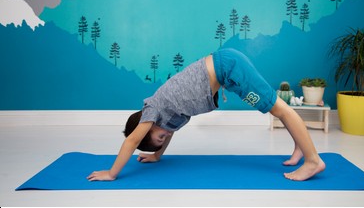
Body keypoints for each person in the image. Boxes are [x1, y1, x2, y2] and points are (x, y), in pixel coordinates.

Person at [87, 48, 325, 182]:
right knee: (277, 110)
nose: (166, 136)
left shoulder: (153, 108)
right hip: (227, 72)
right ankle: (300, 149)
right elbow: (166, 134)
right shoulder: (168, 119)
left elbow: (132, 140)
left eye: (159, 138)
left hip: (229, 69)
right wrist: (157, 156)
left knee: (279, 109)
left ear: (148, 125)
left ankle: (313, 160)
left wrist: (111, 173)